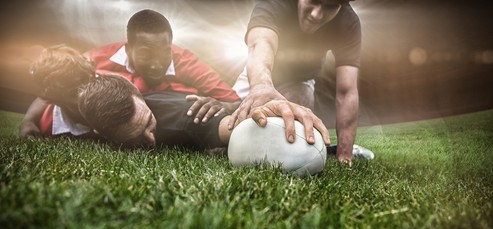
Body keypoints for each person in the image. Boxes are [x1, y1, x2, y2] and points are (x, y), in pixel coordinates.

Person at [19, 9, 240, 137]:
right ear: (128, 48)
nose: (156, 64)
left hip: (173, 106)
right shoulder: (95, 61)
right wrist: (28, 121)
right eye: (146, 54)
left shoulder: (186, 62)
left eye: (164, 54)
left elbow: (232, 100)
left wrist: (224, 106)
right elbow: (54, 84)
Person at [228, 0, 374, 163]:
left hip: (300, 81)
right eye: (313, 1)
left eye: (330, 6)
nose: (316, 15)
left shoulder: (347, 21)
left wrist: (345, 155)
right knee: (226, 126)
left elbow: (346, 91)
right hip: (258, 74)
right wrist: (261, 86)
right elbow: (261, 42)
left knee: (296, 105)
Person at [78, 74, 330, 149]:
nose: (151, 140)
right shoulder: (92, 130)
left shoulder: (188, 115)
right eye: (133, 139)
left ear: (138, 93)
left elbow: (233, 126)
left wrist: (268, 111)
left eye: (148, 124)